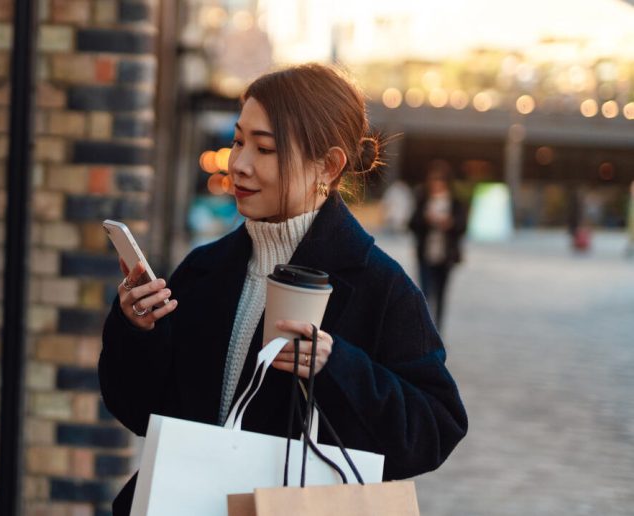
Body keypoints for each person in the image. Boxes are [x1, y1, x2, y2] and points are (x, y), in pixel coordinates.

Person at [100, 64, 468, 515]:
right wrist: (139, 332)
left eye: (265, 148)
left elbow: (436, 428)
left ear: (328, 166)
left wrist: (338, 368)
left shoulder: (380, 285)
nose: (239, 164)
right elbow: (140, 412)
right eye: (238, 141)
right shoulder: (204, 269)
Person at [408, 161, 467, 330]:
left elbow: (463, 226)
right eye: (433, 179)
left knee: (441, 295)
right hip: (425, 254)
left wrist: (450, 223)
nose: (436, 183)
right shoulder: (423, 199)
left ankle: (438, 330)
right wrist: (426, 220)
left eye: (439, 179)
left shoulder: (455, 202)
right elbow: (412, 224)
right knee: (424, 294)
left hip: (446, 255)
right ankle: (424, 329)